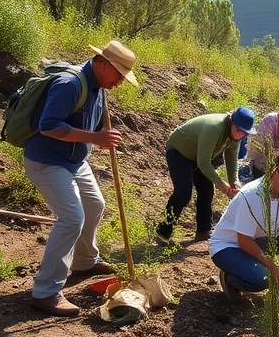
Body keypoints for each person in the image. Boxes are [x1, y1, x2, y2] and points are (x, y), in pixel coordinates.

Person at [26, 41, 138, 317]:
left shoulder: (99, 89)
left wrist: (101, 136)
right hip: (47, 161)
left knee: (94, 205)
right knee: (71, 218)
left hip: (76, 162)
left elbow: (93, 124)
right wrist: (95, 138)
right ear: (103, 64)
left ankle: (85, 261)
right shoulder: (69, 84)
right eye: (120, 74)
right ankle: (46, 291)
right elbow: (49, 126)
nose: (121, 81)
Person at [209, 147, 279, 303]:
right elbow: (243, 241)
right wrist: (274, 270)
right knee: (262, 279)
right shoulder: (251, 196)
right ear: (276, 170)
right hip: (230, 246)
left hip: (261, 238)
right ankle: (230, 278)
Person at [158, 106, 258, 245]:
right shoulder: (214, 128)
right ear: (231, 120)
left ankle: (203, 231)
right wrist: (220, 183)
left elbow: (231, 159)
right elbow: (203, 162)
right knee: (183, 192)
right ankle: (163, 233)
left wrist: (234, 182)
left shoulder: (237, 134)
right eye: (238, 130)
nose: (240, 135)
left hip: (199, 156)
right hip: (179, 151)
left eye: (244, 133)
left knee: (206, 191)